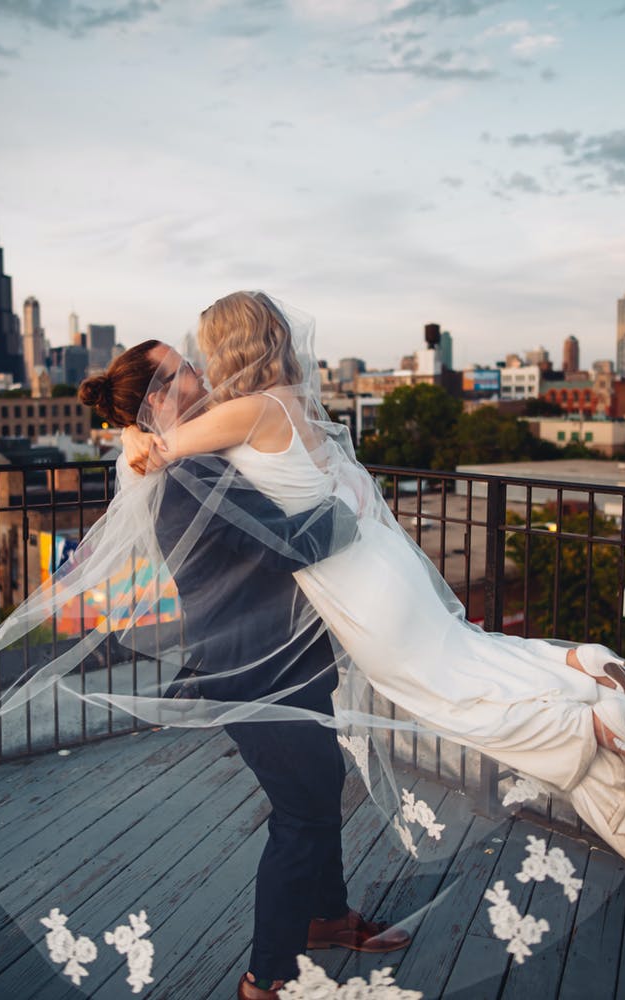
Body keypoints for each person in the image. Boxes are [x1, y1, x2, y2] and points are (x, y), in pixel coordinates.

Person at [121, 291, 625, 894]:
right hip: (379, 563)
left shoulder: (247, 411)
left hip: (355, 583)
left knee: (444, 697)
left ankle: (587, 723)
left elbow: (156, 452)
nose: (201, 365)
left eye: (204, 351)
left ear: (230, 347)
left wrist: (131, 434)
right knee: (466, 657)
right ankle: (577, 664)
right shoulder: (289, 402)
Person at [81, 342, 410, 999]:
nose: (201, 372)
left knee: (321, 786)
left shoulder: (183, 452)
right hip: (254, 665)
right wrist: (352, 508)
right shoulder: (188, 474)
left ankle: (326, 917)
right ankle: (266, 977)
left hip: (285, 655)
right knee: (301, 813)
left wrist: (135, 436)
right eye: (185, 368)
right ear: (160, 397)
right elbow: (287, 544)